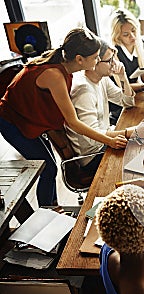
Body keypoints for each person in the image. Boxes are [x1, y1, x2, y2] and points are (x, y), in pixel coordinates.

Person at [0, 28, 129, 206]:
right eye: (95, 57)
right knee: (48, 168)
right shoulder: (54, 75)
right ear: (79, 59)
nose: (98, 60)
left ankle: (52, 207)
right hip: (11, 121)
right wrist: (109, 140)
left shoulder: (63, 66)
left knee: (50, 164)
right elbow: (73, 122)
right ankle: (47, 211)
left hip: (28, 115)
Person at [67, 39, 144, 172]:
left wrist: (123, 77)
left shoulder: (102, 79)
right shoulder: (83, 91)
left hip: (105, 141)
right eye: (109, 60)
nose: (114, 64)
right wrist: (127, 133)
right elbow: (92, 138)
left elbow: (127, 102)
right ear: (95, 61)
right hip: (93, 155)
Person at [110, 8, 144, 93]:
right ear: (118, 36)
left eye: (133, 30)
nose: (133, 36)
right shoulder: (113, 52)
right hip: (120, 98)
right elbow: (122, 88)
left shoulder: (140, 44)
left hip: (135, 93)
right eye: (126, 34)